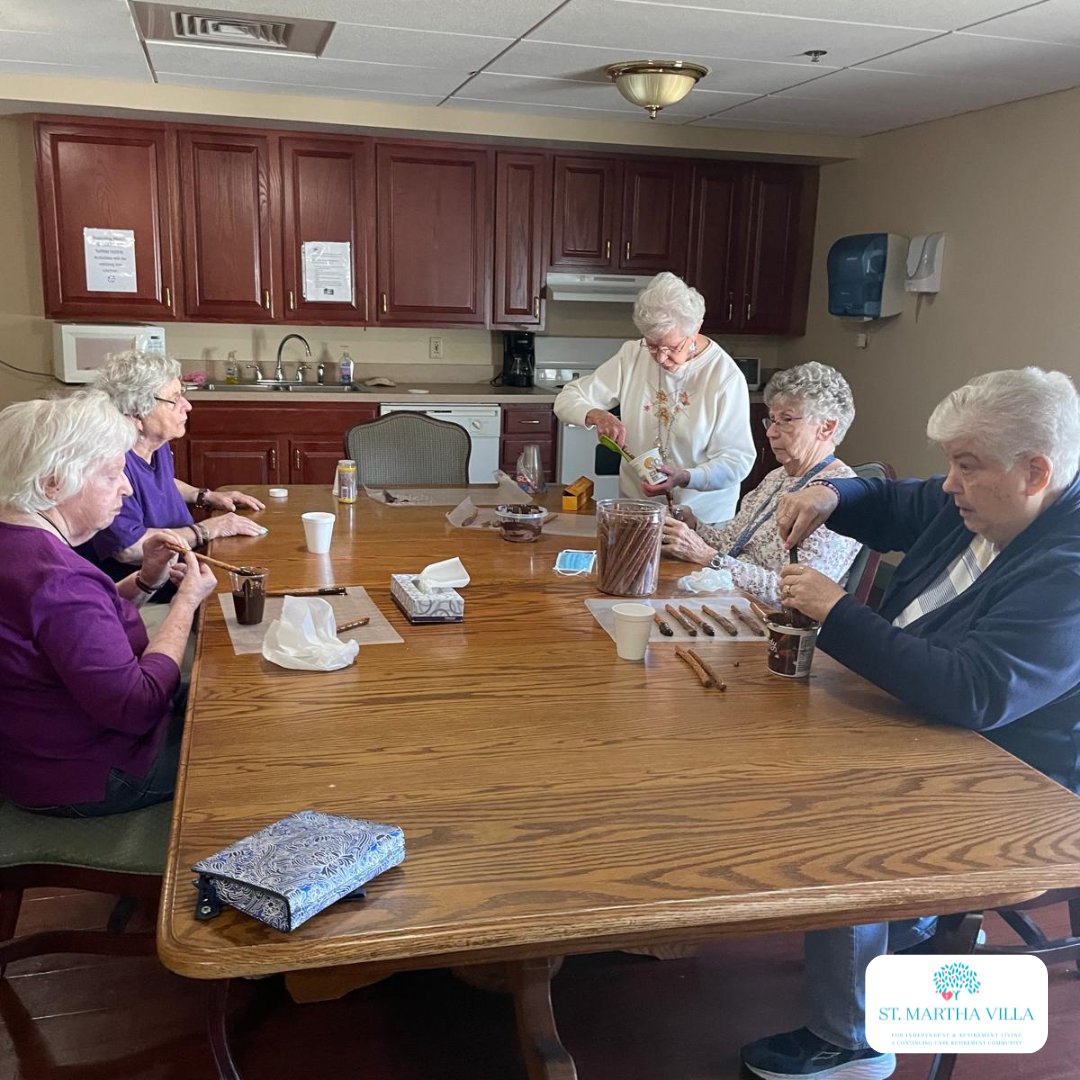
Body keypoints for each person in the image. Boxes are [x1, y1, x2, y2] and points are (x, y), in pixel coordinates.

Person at [741, 367, 1080, 1080]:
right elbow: (896, 499)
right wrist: (831, 493)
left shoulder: (1067, 568)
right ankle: (898, 930)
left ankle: (852, 1039)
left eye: (965, 465)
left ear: (1035, 472)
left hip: (1014, 771)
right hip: (929, 725)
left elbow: (974, 693)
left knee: (842, 816)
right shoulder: (984, 503)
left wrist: (834, 613)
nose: (948, 483)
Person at [0, 393, 218, 816]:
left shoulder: (19, 545)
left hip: (33, 754)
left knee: (220, 698)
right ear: (52, 484)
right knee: (254, 742)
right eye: (112, 474)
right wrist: (184, 605)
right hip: (88, 773)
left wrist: (146, 579)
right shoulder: (57, 579)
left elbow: (70, 627)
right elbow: (138, 706)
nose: (127, 486)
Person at [553, 271, 755, 523]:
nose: (660, 357)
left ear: (695, 329)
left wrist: (685, 476)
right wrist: (597, 414)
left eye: (671, 348)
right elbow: (567, 398)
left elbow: (737, 461)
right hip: (637, 509)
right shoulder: (632, 355)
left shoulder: (724, 376)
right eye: (652, 345)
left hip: (701, 519)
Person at [660, 362, 860, 604]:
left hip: (774, 626)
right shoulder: (778, 476)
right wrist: (693, 527)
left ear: (826, 427)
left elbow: (792, 594)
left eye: (786, 420)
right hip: (729, 600)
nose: (770, 433)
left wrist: (706, 556)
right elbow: (731, 544)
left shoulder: (840, 496)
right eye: (772, 420)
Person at [89, 351, 265, 578]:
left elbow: (160, 483)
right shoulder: (112, 464)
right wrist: (207, 530)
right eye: (174, 400)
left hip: (184, 557)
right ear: (136, 414)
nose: (187, 406)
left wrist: (204, 496)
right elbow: (128, 548)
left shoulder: (155, 443)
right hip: (146, 582)